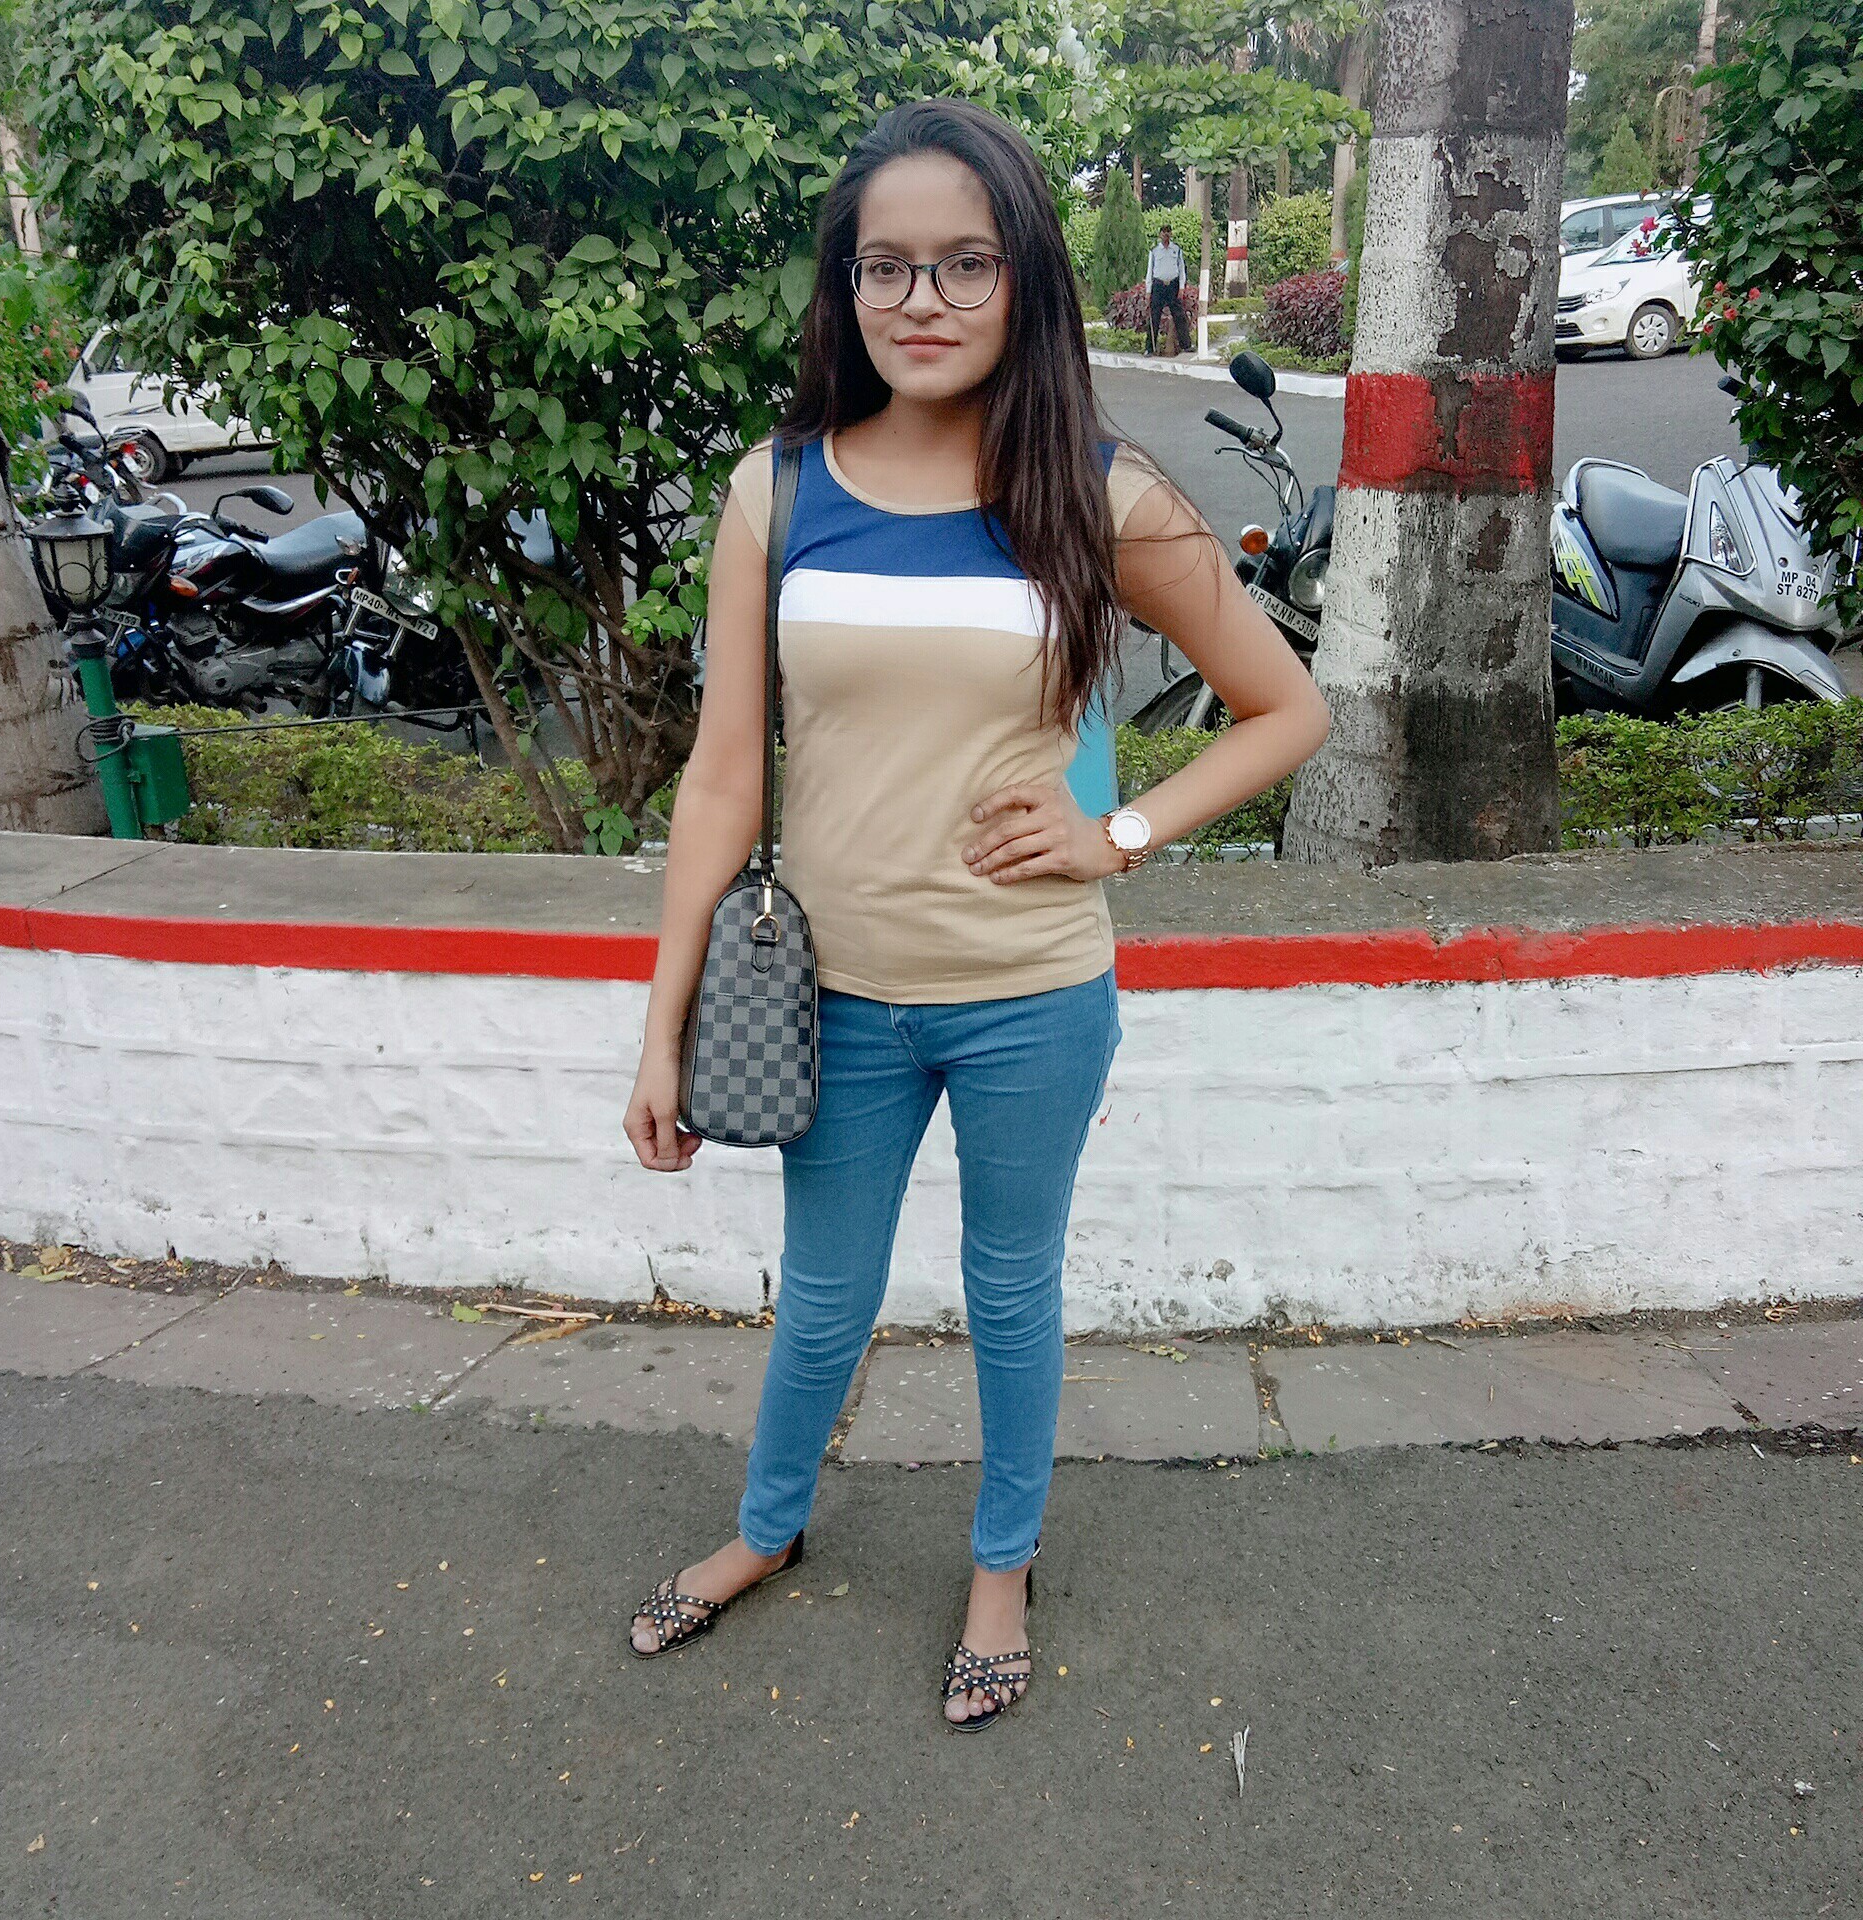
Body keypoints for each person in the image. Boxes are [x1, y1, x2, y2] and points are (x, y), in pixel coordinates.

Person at [622, 99, 1328, 1732]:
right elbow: (723, 778)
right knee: (824, 1297)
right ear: (845, 286)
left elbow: (1288, 709)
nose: (921, 299)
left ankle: (1001, 1567)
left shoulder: (1099, 492)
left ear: (1024, 283)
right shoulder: (778, 492)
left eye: (963, 264)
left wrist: (1119, 831)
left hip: (1031, 993)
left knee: (1011, 1292)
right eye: (885, 266)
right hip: (831, 1000)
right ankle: (767, 1528)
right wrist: (661, 1027)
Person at [1145, 223, 1193, 355]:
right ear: (1160, 234)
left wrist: (1181, 288)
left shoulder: (1176, 249)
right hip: (1158, 285)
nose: (1166, 234)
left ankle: (1186, 345)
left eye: (1168, 232)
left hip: (1173, 285)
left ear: (1171, 234)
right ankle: (1149, 348)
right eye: (1163, 232)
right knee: (1154, 317)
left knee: (1179, 316)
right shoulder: (1154, 251)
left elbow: (1181, 269)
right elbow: (1150, 271)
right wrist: (1148, 291)